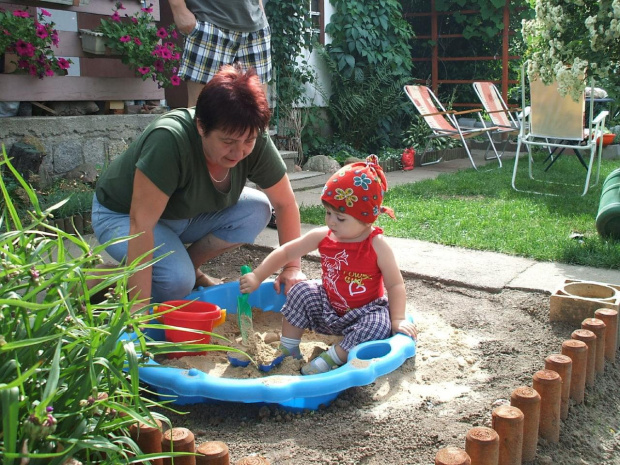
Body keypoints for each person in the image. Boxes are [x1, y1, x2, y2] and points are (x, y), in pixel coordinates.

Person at [92, 64, 304, 305]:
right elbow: (141, 223)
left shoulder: (249, 136)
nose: (239, 151)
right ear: (201, 126)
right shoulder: (169, 140)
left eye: (249, 140)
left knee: (258, 209)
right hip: (120, 215)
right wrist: (139, 311)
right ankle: (101, 277)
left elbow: (285, 204)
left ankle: (187, 267)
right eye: (228, 141)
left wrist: (291, 267)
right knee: (175, 283)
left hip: (181, 215)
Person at [239, 156, 418, 375]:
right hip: (328, 307)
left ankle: (333, 357)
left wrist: (398, 319)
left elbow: (395, 285)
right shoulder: (324, 236)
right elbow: (286, 252)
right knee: (301, 290)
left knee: (381, 323)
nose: (331, 222)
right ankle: (288, 348)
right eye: (328, 213)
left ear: (367, 219)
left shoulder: (377, 245)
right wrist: (258, 276)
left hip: (364, 312)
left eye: (340, 218)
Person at [168, 0, 272, 106]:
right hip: (209, 23)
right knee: (202, 111)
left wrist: (260, 8)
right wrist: (178, 9)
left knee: (256, 113)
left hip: (256, 28)